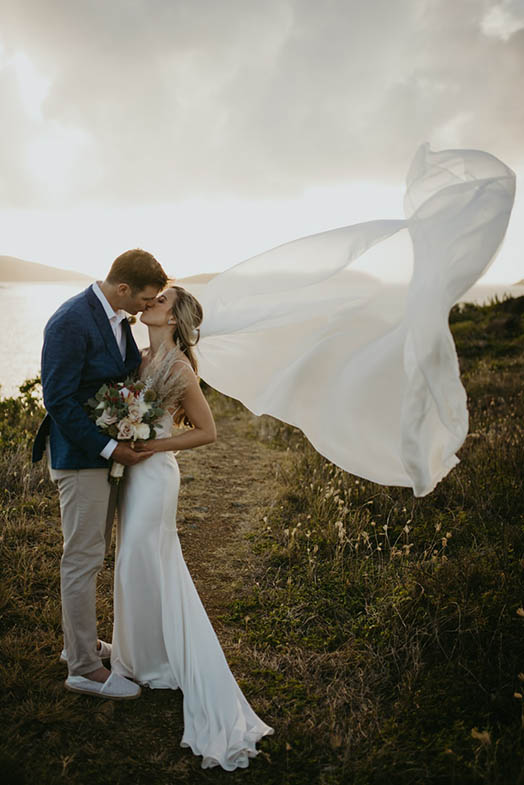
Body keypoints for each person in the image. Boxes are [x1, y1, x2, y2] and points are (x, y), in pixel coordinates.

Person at [111, 285, 274, 770]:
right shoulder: (140, 357)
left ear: (174, 319)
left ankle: (160, 662)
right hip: (132, 471)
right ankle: (138, 656)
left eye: (159, 301)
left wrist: (150, 447)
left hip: (155, 476)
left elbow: (207, 431)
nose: (149, 304)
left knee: (146, 557)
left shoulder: (178, 367)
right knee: (132, 561)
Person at [32, 248, 168, 700]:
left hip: (103, 456)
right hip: (79, 458)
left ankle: (81, 645)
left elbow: (119, 381)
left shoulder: (118, 319)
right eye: (145, 299)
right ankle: (83, 668)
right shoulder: (71, 320)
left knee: (95, 552)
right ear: (123, 288)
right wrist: (111, 445)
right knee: (82, 558)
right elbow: (59, 400)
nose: (146, 308)